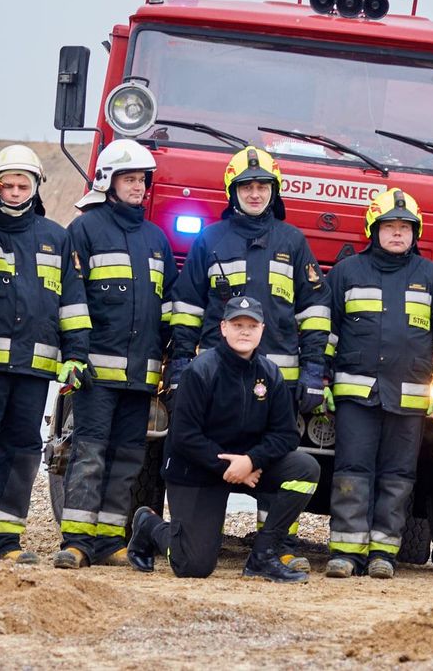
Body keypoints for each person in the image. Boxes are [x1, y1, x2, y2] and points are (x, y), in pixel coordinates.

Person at [168, 146, 330, 571]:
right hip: (219, 378)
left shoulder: (292, 241)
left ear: (273, 191)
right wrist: (182, 362)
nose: (255, 193)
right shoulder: (209, 240)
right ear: (232, 191)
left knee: (283, 457)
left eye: (263, 186)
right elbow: (186, 305)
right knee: (193, 561)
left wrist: (314, 371)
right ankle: (177, 528)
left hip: (277, 382)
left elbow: (314, 310)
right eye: (247, 186)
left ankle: (274, 544)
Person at [0, 145, 90, 564]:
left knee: (21, 450)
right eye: (6, 182)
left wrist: (76, 355)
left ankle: (3, 541)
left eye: (23, 182)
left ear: (36, 187)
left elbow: (72, 306)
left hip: (33, 370)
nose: (15, 189)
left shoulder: (55, 238)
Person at [126, 296, 321, 582]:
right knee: (193, 567)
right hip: (196, 469)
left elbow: (286, 435)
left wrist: (251, 461)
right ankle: (150, 526)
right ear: (223, 328)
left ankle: (262, 558)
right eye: (237, 324)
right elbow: (184, 437)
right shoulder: (201, 371)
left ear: (262, 330)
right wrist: (232, 469)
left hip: (246, 465)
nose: (244, 331)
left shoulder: (270, 374)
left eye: (251, 325)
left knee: (305, 468)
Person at [323, 189, 433, 579]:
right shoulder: (346, 274)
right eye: (390, 226)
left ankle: (384, 554)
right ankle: (346, 553)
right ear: (374, 229)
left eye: (405, 227)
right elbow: (325, 333)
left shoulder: (432, 278)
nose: (398, 234)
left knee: (399, 476)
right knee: (352, 469)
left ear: (415, 233)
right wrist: (320, 378)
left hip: (410, 397)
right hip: (356, 393)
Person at [54, 139, 178, 569]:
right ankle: (76, 541)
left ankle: (108, 542)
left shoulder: (156, 239)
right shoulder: (84, 230)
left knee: (128, 457)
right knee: (89, 454)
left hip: (141, 376)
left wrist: (169, 358)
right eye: (130, 179)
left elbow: (167, 307)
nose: (138, 187)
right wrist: (73, 355)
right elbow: (70, 300)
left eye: (143, 180)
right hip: (94, 374)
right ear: (108, 181)